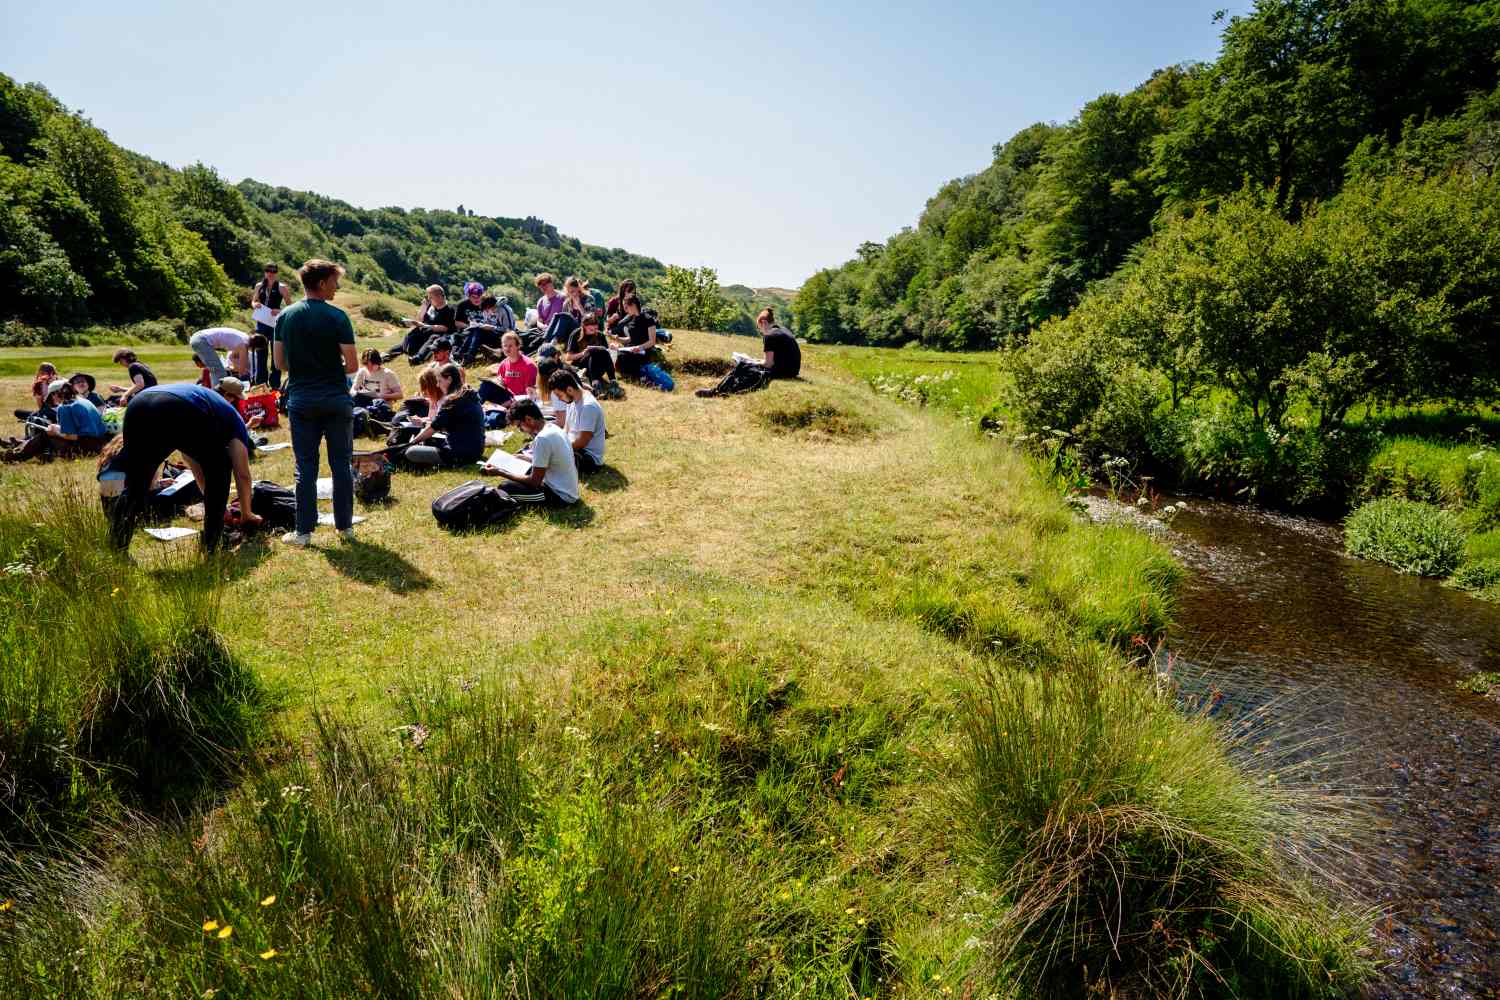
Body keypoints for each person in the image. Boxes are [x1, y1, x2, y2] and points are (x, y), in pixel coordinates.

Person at [100, 383, 261, 552]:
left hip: (139, 404)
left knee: (137, 483)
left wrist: (213, 502)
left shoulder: (209, 406)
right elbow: (242, 474)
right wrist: (246, 514)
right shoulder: (235, 421)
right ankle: (213, 544)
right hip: (180, 407)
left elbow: (195, 463)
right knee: (220, 469)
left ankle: (117, 547)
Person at [273, 258, 359, 546]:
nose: (337, 287)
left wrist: (304, 365)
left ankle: (303, 532)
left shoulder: (285, 316)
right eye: (335, 282)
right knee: (341, 464)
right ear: (322, 283)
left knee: (306, 466)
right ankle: (344, 527)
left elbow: (279, 363)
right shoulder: (338, 317)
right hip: (335, 398)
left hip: (301, 399)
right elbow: (351, 365)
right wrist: (329, 365)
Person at [481, 398, 579, 506]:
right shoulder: (553, 428)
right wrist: (526, 459)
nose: (521, 431)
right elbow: (552, 460)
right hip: (567, 488)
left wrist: (500, 472)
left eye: (520, 426)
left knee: (505, 488)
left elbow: (534, 481)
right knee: (523, 470)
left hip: (560, 496)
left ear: (528, 419)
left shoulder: (542, 439)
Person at [696, 307, 803, 397]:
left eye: (759, 327)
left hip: (783, 372)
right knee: (750, 365)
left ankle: (716, 391)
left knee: (743, 365)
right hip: (792, 371)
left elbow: (768, 364)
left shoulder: (770, 335)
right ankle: (726, 390)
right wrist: (757, 361)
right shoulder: (783, 330)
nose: (760, 331)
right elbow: (777, 358)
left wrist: (752, 362)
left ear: (763, 322)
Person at [2, 379, 111, 463]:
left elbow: (72, 436)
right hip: (100, 444)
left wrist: (55, 431)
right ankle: (19, 445)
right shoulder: (83, 401)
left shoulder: (65, 407)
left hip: (86, 449)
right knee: (49, 435)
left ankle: (14, 456)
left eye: (51, 396)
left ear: (55, 394)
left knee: (44, 436)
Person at [403, 363, 485, 467]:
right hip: (477, 450)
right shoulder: (468, 393)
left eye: (439, 381)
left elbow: (433, 428)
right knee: (429, 441)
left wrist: (413, 442)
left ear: (449, 379)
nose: (437, 385)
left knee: (411, 451)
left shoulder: (452, 400)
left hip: (459, 453)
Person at [549, 370, 606, 473]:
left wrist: (558, 449)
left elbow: (582, 442)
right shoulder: (571, 401)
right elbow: (566, 430)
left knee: (550, 459)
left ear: (569, 390)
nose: (559, 399)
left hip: (587, 458)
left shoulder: (588, 406)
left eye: (559, 395)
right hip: (573, 449)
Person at [386, 285, 455, 363]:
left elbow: (445, 328)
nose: (428, 299)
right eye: (427, 297)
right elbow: (420, 319)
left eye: (430, 297)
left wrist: (426, 326)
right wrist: (424, 307)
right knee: (411, 336)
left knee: (434, 337)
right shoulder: (430, 306)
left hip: (437, 335)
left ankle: (419, 357)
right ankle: (387, 355)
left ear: (439, 296)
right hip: (424, 332)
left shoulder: (450, 309)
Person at [251, 263, 292, 390]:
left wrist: (279, 311)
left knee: (276, 355)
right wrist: (255, 305)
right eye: (268, 270)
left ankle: (275, 384)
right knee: (260, 354)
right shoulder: (259, 285)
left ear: (277, 273)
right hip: (261, 324)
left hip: (275, 324)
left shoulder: (282, 287)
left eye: (273, 271)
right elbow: (253, 301)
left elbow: (290, 306)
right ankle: (260, 384)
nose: (271, 273)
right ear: (265, 272)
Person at [562, 313, 623, 398]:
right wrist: (583, 353)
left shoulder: (600, 335)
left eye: (596, 329)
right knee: (593, 352)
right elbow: (568, 357)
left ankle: (613, 383)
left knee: (603, 351)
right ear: (584, 326)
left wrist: (612, 347)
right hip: (582, 367)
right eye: (591, 329)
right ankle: (596, 386)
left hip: (597, 368)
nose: (594, 331)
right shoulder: (576, 334)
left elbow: (606, 353)